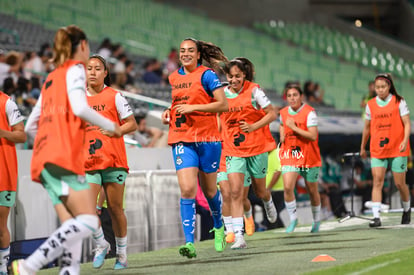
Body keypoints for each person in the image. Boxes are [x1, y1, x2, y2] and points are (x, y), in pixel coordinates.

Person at [11, 25, 121, 275]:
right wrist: (111, 126)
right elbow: (80, 107)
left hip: (43, 159)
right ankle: (29, 265)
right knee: (88, 220)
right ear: (82, 46)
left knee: (71, 223)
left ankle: (69, 271)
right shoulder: (74, 70)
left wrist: (51, 138)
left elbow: (30, 126)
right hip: (63, 158)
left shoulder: (51, 77)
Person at [161, 38, 228, 258]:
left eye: (190, 50)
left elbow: (222, 104)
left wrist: (193, 108)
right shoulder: (173, 77)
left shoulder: (207, 75)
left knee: (210, 192)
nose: (186, 54)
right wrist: (168, 112)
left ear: (198, 54)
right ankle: (189, 243)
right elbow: (178, 102)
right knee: (188, 189)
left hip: (208, 139)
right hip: (182, 139)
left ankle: (219, 225)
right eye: (182, 51)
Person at [85, 55, 137, 269]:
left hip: (114, 161)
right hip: (88, 162)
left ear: (105, 72)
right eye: (89, 68)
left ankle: (122, 255)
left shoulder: (115, 96)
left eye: (97, 68)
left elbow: (131, 124)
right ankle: (101, 243)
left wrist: (116, 130)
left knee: (115, 210)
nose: (93, 72)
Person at [220, 57, 277, 249]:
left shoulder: (254, 91)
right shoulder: (221, 94)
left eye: (238, 76)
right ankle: (239, 236)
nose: (234, 80)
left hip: (257, 147)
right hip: (234, 149)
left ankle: (268, 201)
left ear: (244, 74)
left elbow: (272, 113)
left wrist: (253, 127)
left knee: (260, 190)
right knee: (236, 192)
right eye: (230, 76)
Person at [360, 73, 411, 227]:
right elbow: (367, 127)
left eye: (383, 87)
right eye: (377, 87)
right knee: (377, 181)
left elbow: (407, 124)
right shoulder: (370, 105)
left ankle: (407, 209)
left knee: (400, 184)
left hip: (398, 148)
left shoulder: (399, 102)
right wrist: (363, 146)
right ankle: (376, 217)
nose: (380, 90)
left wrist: (404, 140)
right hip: (378, 149)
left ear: (389, 87)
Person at [279, 84, 322, 233]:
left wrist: (294, 127)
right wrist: (282, 135)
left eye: (295, 95)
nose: (292, 98)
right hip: (291, 155)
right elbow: (281, 124)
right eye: (289, 96)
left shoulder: (310, 113)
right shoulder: (283, 112)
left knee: (312, 191)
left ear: (301, 96)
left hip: (309, 157)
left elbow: (312, 135)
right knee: (287, 187)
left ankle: (316, 220)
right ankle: (293, 219)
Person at [0, 90, 26, 275]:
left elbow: (21, 135)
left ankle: (2, 268)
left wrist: (2, 132)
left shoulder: (7, 102)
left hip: (3, 173)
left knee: (0, 225)